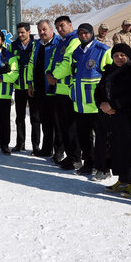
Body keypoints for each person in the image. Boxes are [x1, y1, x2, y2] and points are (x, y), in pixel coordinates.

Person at [54, 23, 112, 176]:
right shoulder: (76, 52)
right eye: (80, 33)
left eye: (86, 33)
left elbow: (111, 76)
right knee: (84, 136)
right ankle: (89, 163)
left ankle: (104, 166)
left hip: (95, 104)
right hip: (79, 103)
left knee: (101, 137)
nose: (83, 36)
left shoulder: (102, 50)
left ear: (92, 33)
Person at [95, 43, 131, 194]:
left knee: (128, 149)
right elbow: (99, 90)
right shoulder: (109, 70)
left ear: (128, 56)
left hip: (126, 115)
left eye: (122, 55)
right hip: (111, 116)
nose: (119, 58)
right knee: (117, 149)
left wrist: (112, 105)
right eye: (116, 55)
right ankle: (122, 180)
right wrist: (101, 105)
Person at [46, 16, 82, 170]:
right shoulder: (61, 42)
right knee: (63, 126)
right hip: (59, 90)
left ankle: (76, 158)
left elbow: (68, 63)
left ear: (70, 25)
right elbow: (53, 61)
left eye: (62, 26)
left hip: (70, 91)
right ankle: (69, 156)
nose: (60, 29)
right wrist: (48, 72)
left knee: (72, 128)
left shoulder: (75, 40)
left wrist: (54, 76)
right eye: (57, 27)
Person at [26, 19, 61, 160]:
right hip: (40, 89)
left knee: (57, 123)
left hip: (55, 89)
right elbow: (31, 65)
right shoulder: (36, 45)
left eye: (44, 29)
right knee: (45, 121)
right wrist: (30, 84)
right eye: (40, 30)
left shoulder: (58, 44)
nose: (42, 32)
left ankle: (58, 152)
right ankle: (47, 149)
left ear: (51, 29)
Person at [10, 22, 40, 153]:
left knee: (35, 117)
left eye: (23, 32)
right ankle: (20, 143)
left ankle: (36, 145)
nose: (20, 35)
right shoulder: (13, 46)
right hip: (19, 87)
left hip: (32, 87)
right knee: (20, 117)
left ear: (29, 32)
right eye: (19, 32)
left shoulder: (36, 45)